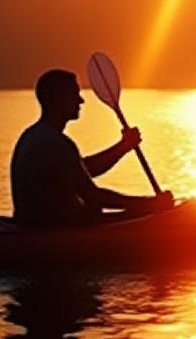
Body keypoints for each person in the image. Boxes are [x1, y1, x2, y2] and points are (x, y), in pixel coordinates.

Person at [11, 68, 175, 225]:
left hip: (37, 224)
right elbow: (94, 196)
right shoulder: (56, 143)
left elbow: (83, 170)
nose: (81, 100)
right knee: (114, 210)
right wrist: (150, 205)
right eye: (75, 94)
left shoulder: (34, 135)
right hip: (54, 230)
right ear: (58, 100)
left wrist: (123, 147)